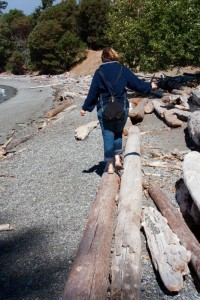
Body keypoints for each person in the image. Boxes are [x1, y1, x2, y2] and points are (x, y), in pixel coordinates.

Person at [80, 47, 157, 174]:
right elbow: (136, 84)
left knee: (108, 135)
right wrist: (150, 86)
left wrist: (85, 108)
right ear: (115, 56)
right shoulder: (122, 69)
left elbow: (93, 93)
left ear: (103, 58)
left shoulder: (99, 72)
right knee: (118, 133)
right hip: (122, 108)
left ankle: (110, 166)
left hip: (105, 108)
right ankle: (117, 159)